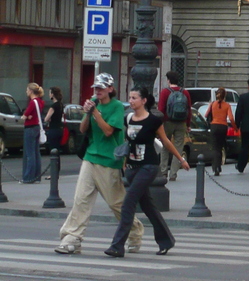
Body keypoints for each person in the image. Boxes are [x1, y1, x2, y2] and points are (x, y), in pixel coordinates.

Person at [56, 74, 144, 255]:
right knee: (81, 199)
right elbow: (82, 129)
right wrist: (87, 113)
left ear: (110, 89)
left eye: (102, 88)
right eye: (96, 87)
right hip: (90, 157)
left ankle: (135, 232)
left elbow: (108, 131)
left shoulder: (117, 107)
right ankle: (72, 237)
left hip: (109, 160)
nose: (98, 91)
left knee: (116, 203)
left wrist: (95, 112)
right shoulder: (93, 102)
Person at [106, 87, 189, 258]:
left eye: (135, 97)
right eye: (130, 97)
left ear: (144, 101)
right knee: (148, 206)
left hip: (149, 166)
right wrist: (123, 162)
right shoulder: (128, 118)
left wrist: (180, 160)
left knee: (128, 202)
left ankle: (117, 245)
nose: (131, 100)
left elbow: (165, 141)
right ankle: (166, 241)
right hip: (132, 168)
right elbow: (126, 142)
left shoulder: (153, 121)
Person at [157, 72, 192, 182]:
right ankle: (173, 174)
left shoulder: (165, 92)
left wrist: (159, 124)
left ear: (168, 80)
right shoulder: (185, 92)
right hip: (181, 122)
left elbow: (161, 109)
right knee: (178, 147)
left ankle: (163, 172)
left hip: (167, 122)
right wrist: (188, 124)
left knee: (165, 146)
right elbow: (189, 109)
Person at [206, 87, 236, 175]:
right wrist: (235, 127)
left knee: (215, 147)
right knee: (220, 146)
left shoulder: (212, 104)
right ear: (225, 96)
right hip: (223, 127)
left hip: (214, 126)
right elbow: (231, 118)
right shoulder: (227, 105)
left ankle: (215, 167)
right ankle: (218, 165)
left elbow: (206, 114)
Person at [19, 83, 45, 183]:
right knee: (36, 153)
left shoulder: (32, 102)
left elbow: (24, 116)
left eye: (27, 90)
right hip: (37, 127)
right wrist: (28, 116)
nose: (26, 91)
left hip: (29, 128)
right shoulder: (40, 102)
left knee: (29, 154)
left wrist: (26, 116)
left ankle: (28, 177)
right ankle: (37, 176)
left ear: (31, 91)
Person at [44, 87, 65, 155]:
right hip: (59, 129)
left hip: (53, 129)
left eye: (50, 93)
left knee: (53, 149)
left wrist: (48, 119)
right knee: (57, 149)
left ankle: (54, 164)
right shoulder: (61, 105)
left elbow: (46, 118)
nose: (49, 95)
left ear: (53, 94)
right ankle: (57, 164)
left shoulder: (53, 106)